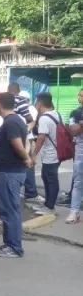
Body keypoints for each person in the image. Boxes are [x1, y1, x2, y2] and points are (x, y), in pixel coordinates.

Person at [0, 92, 33, 258]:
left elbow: (18, 144)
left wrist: (26, 158)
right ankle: (8, 243)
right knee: (7, 209)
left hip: (10, 173)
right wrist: (26, 156)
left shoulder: (11, 123)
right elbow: (27, 141)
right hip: (10, 171)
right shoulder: (18, 121)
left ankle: (15, 247)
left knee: (10, 210)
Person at [31, 92, 62, 216]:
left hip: (51, 154)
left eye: (36, 103)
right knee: (46, 177)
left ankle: (50, 206)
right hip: (56, 152)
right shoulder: (56, 114)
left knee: (51, 179)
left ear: (40, 104)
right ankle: (48, 203)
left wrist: (34, 154)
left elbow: (41, 137)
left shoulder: (44, 118)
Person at [66, 89, 83, 224]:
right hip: (80, 151)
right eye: (79, 95)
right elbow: (73, 130)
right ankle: (74, 211)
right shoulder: (75, 113)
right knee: (78, 182)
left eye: (81, 95)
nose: (79, 97)